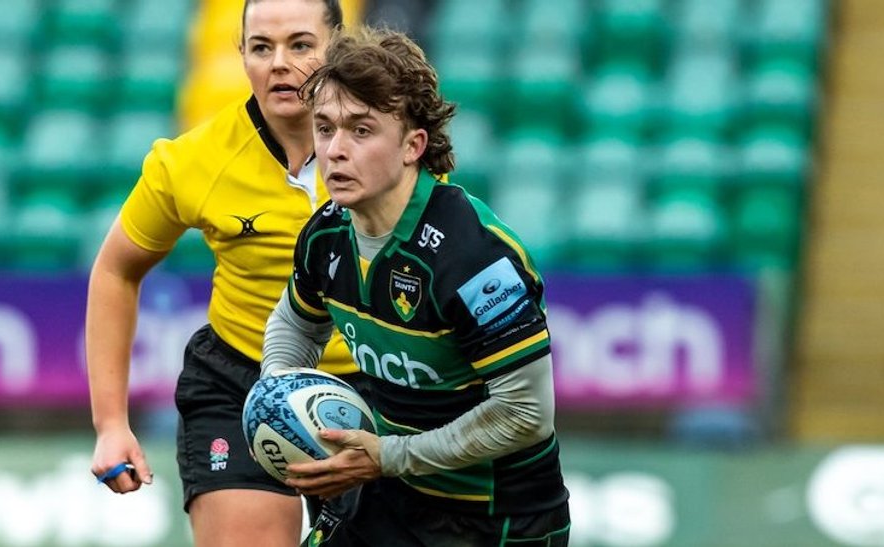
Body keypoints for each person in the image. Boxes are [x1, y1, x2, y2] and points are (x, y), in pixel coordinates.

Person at [260, 26, 571, 546]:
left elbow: (526, 414)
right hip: (390, 496)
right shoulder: (325, 235)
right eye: (325, 128)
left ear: (412, 145)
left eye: (361, 131)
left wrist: (387, 456)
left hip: (496, 517)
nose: (335, 150)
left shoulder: (475, 258)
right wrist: (280, 393)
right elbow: (294, 322)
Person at [85, 1, 357, 546]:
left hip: (372, 392)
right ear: (242, 56)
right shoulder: (190, 162)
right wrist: (110, 424)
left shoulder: (395, 150)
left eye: (300, 45)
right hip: (241, 383)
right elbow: (116, 271)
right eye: (261, 48)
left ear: (338, 48)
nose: (280, 63)